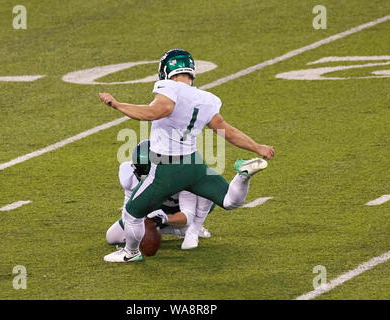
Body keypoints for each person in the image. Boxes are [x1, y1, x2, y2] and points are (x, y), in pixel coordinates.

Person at [99, 48, 275, 262]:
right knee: (229, 201)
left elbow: (155, 111)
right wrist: (257, 147)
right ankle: (243, 175)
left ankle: (131, 252)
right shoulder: (206, 98)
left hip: (166, 167)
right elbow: (226, 130)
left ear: (165, 71)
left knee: (131, 212)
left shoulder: (168, 87)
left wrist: (118, 105)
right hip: (193, 163)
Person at [106, 140, 213, 250]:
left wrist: (165, 218)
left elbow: (188, 215)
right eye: (141, 176)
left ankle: (194, 228)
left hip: (183, 207)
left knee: (205, 194)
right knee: (112, 236)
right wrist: (136, 230)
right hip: (158, 205)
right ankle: (178, 230)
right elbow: (129, 205)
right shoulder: (128, 173)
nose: (145, 181)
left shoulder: (182, 173)